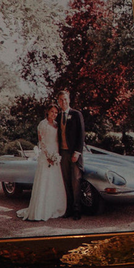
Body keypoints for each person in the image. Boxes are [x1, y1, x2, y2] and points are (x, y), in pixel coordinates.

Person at [17, 103, 67, 222]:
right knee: (45, 180)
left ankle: (55, 208)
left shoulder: (56, 125)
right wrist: (48, 155)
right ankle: (42, 209)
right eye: (52, 112)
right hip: (46, 156)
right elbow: (42, 142)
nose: (54, 114)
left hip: (56, 154)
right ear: (47, 112)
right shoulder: (42, 124)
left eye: (56, 112)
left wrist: (55, 155)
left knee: (55, 180)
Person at [56, 89, 85, 220]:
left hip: (74, 154)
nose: (63, 102)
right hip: (62, 153)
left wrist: (77, 152)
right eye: (61, 100)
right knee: (66, 182)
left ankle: (77, 210)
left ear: (69, 100)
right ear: (58, 102)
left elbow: (81, 135)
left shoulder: (76, 114)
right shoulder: (57, 116)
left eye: (65, 99)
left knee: (76, 182)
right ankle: (68, 209)